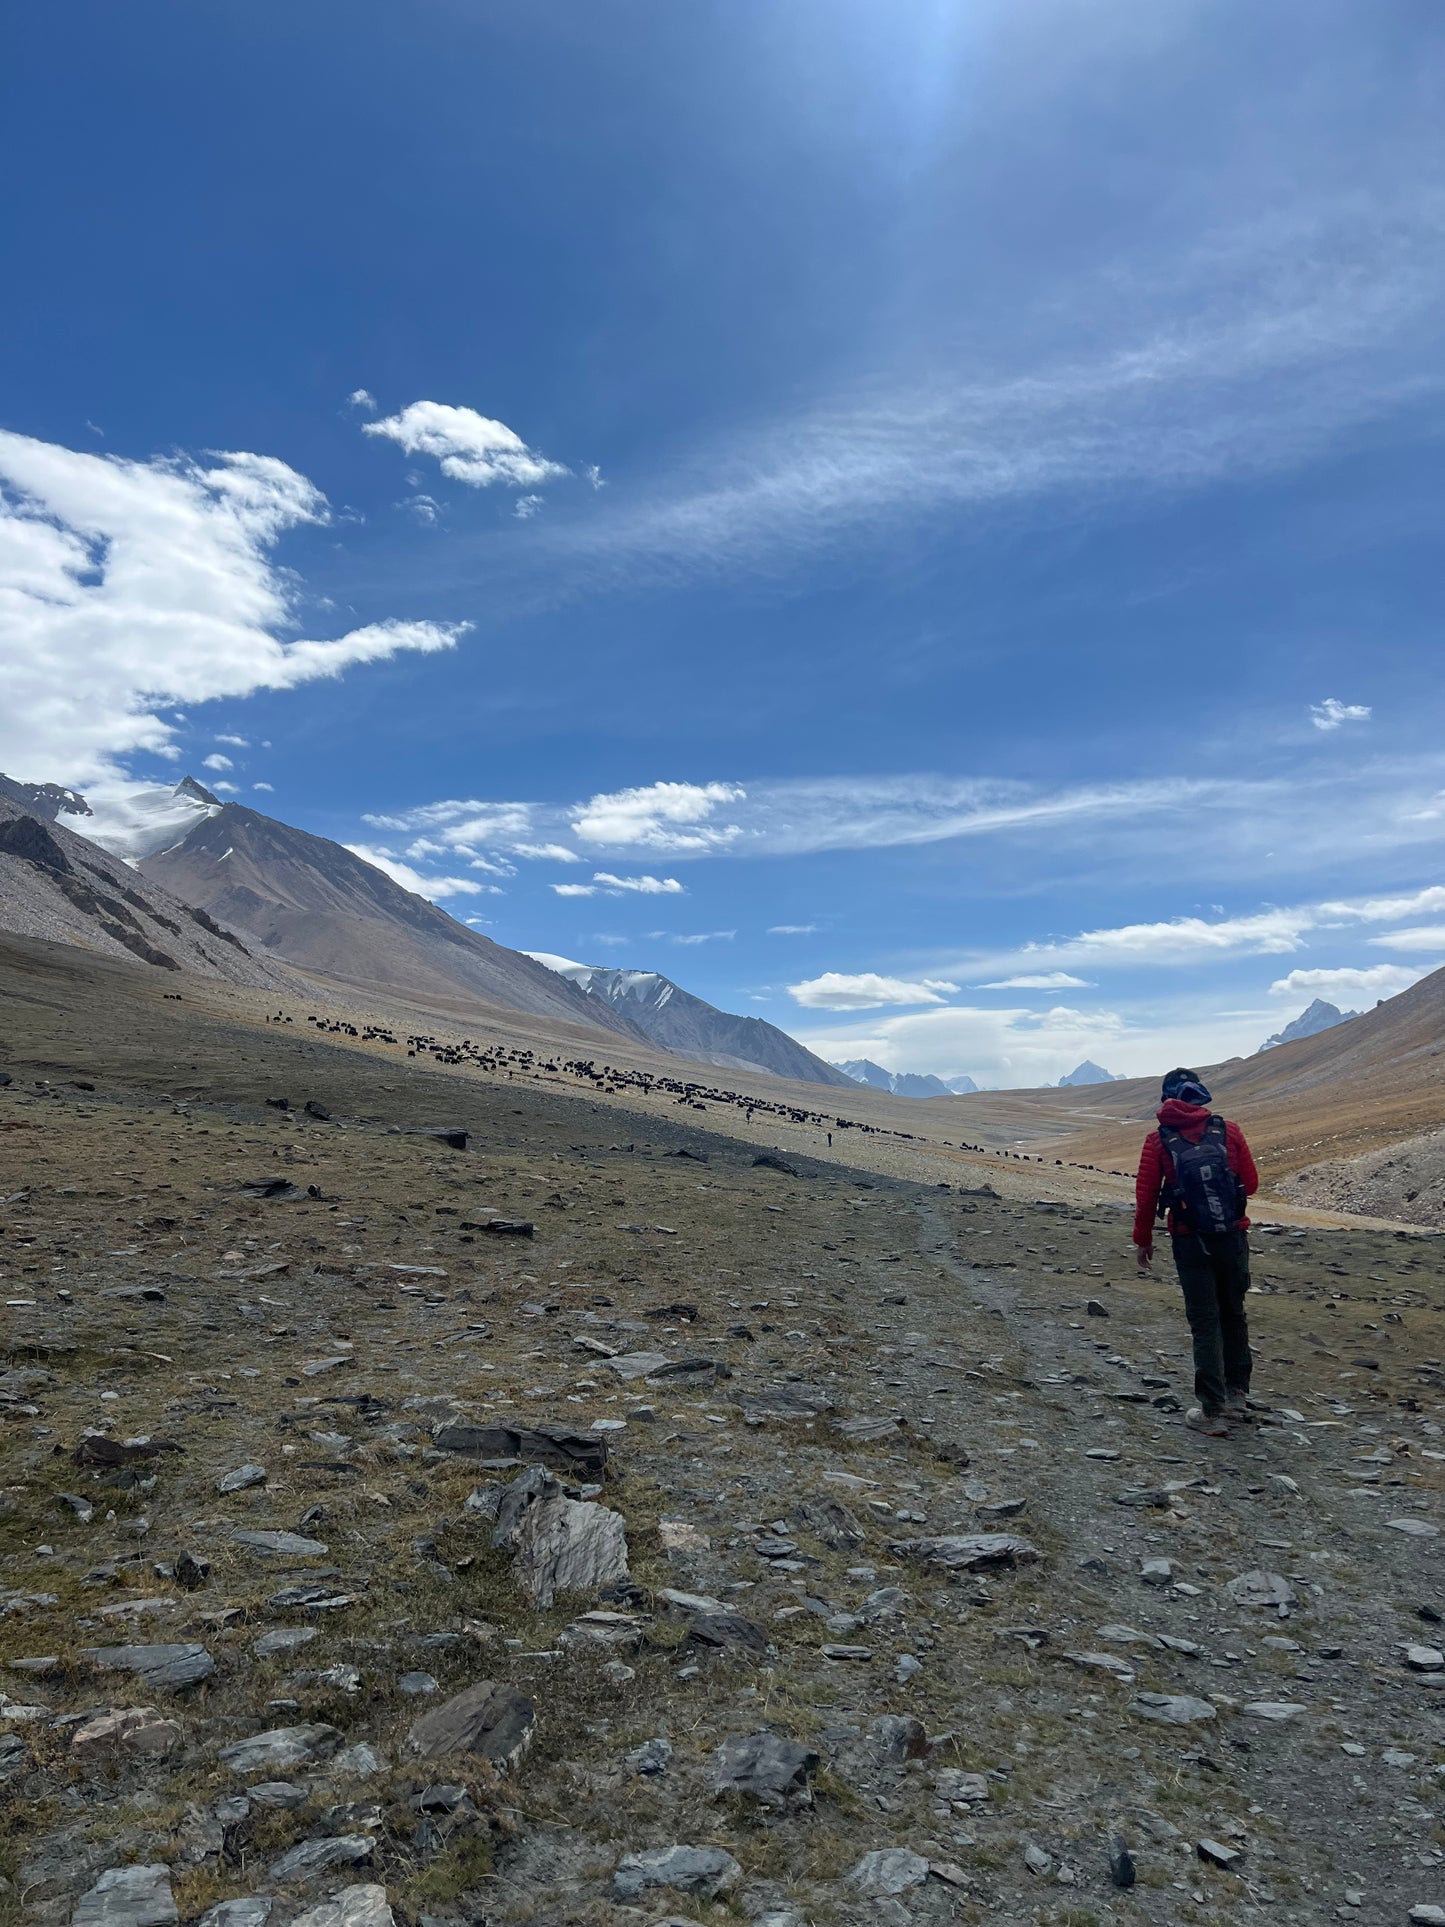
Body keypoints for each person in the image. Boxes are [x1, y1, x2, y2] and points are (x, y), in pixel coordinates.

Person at [1133, 1068, 1259, 1437]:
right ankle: (1238, 1394)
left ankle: (1212, 1411)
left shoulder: (1158, 1141)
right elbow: (1249, 1184)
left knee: (1205, 1322)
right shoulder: (1228, 1130)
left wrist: (1143, 1240)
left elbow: (1146, 1198)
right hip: (1232, 1237)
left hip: (1190, 1240)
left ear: (1165, 1099)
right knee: (1233, 1313)